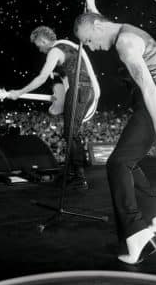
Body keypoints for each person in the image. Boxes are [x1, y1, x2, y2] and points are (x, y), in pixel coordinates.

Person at [75, 0, 156, 264]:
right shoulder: (114, 28)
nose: (90, 48)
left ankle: (136, 235)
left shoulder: (126, 44)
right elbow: (97, 20)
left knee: (118, 164)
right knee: (127, 161)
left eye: (88, 41)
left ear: (97, 28)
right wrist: (90, 3)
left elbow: (149, 88)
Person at [6, 25, 100, 189]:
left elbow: (42, 77)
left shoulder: (55, 51)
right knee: (70, 132)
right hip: (85, 90)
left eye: (38, 45)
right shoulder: (68, 47)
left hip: (79, 90)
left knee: (71, 133)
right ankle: (70, 173)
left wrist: (19, 92)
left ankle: (79, 177)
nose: (40, 50)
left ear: (42, 40)